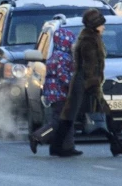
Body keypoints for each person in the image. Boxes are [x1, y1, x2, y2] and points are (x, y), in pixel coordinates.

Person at [51, 9, 122, 158]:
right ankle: (115, 145)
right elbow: (90, 66)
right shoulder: (89, 41)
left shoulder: (90, 38)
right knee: (91, 115)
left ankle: (56, 146)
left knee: (70, 115)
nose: (104, 27)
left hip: (83, 82)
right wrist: (93, 85)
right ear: (95, 25)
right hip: (85, 83)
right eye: (102, 24)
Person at [30, 27, 81, 157]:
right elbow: (62, 75)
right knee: (59, 122)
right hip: (60, 94)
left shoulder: (54, 55)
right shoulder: (63, 57)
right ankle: (38, 136)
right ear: (66, 42)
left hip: (54, 93)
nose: (73, 45)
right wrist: (72, 85)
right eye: (72, 42)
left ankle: (67, 147)